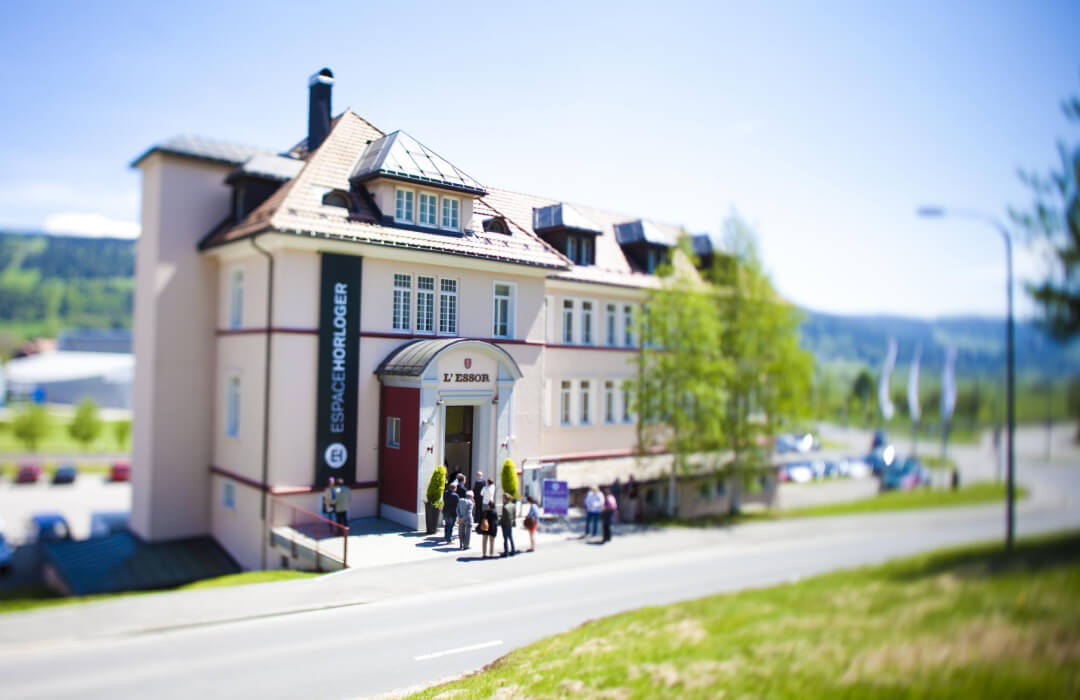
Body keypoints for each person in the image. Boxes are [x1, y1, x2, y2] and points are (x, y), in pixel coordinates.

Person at [443, 480, 460, 544]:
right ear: (454, 488)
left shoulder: (445, 493)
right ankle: (449, 540)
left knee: (447, 525)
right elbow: (458, 504)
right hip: (452, 512)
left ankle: (446, 537)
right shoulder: (456, 496)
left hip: (445, 511)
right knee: (450, 526)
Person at [500, 493, 517, 557]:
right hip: (510, 523)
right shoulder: (513, 505)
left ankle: (506, 552)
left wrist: (500, 522)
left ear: (505, 499)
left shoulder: (505, 507)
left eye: (503, 498)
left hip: (505, 524)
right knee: (510, 537)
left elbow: (503, 517)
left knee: (505, 539)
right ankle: (513, 550)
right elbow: (514, 515)